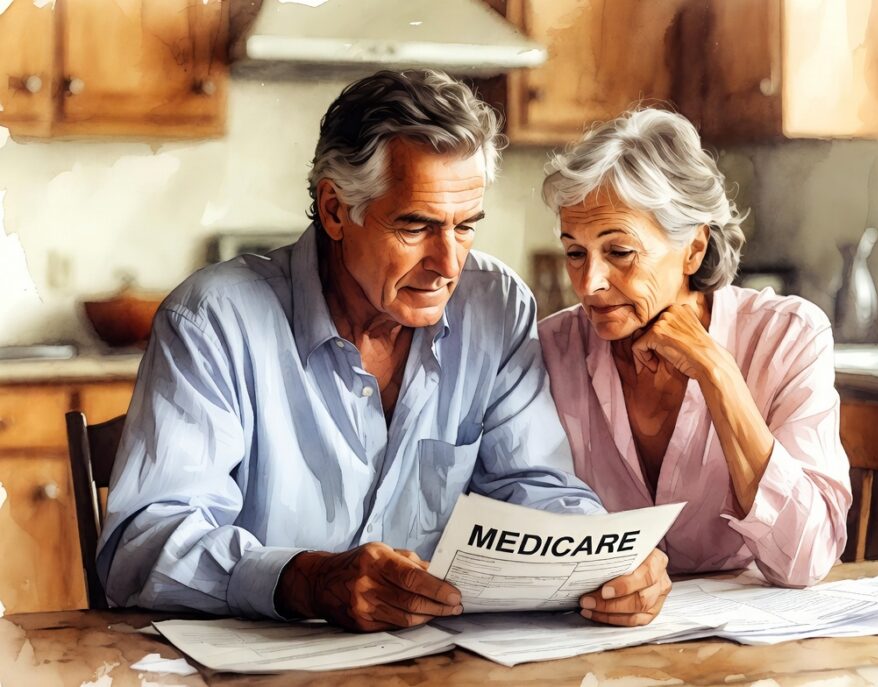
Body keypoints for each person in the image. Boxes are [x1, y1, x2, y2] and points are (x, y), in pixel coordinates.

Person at [97, 70, 672, 632]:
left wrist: (610, 566)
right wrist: (310, 581)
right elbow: (141, 545)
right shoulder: (213, 320)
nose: (449, 265)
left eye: (466, 226)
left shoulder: (495, 306)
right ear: (334, 210)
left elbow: (537, 488)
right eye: (415, 226)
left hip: (433, 665)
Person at [538, 108, 852, 587]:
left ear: (694, 249)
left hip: (749, 637)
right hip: (596, 628)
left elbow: (805, 560)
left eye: (619, 252)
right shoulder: (551, 349)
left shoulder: (788, 337)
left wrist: (716, 372)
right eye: (575, 253)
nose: (588, 284)